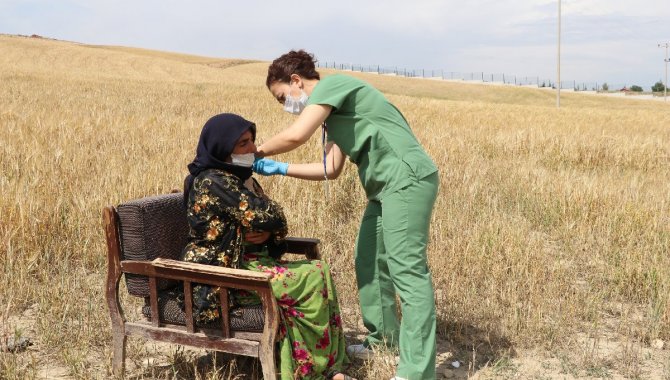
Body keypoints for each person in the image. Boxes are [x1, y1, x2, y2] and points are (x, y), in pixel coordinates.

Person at [253, 50, 439, 380]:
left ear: (296, 81)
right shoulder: (331, 114)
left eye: (283, 96)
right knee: (368, 260)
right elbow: (330, 168)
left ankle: (416, 372)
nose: (286, 104)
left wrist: (258, 152)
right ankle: (384, 339)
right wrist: (279, 169)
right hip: (383, 190)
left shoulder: (331, 88)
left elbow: (297, 134)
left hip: (407, 180)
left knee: (408, 272)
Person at [181, 113, 353, 380]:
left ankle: (325, 363)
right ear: (222, 149)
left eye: (251, 141)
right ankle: (306, 372)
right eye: (243, 144)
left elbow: (270, 217)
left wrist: (263, 231)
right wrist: (259, 225)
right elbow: (271, 215)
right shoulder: (213, 180)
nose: (252, 149)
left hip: (246, 261)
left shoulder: (237, 177)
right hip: (220, 271)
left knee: (319, 270)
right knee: (306, 280)